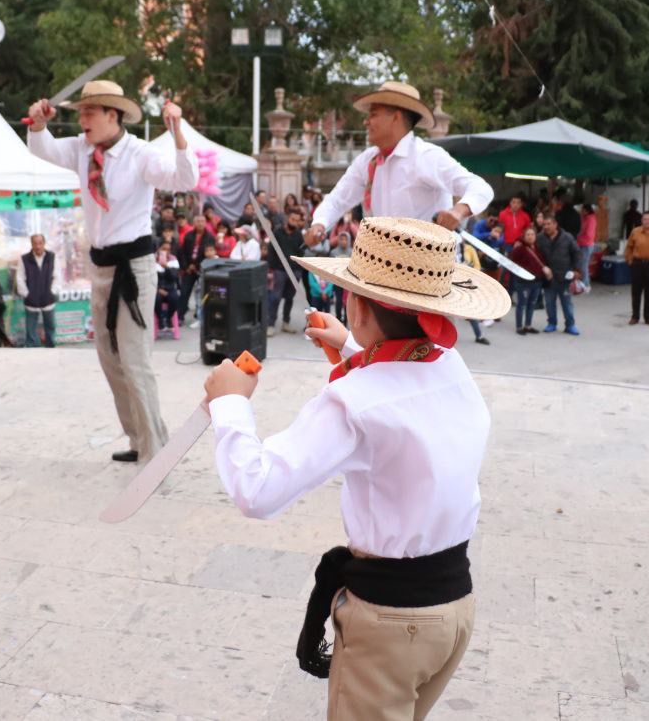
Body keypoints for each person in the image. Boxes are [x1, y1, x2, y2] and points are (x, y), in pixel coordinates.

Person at [204, 216, 510, 720]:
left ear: (359, 303)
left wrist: (230, 406)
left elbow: (256, 491)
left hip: (391, 623)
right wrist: (353, 345)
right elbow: (403, 385)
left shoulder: (352, 402)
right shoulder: (451, 367)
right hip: (453, 608)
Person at [27, 80, 198, 463]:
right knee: (109, 358)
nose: (82, 120)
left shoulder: (140, 153)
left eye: (89, 112)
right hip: (100, 265)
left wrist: (178, 133)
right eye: (81, 112)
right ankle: (138, 438)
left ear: (112, 115)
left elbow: (185, 180)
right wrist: (39, 123)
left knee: (135, 360)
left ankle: (157, 449)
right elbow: (44, 148)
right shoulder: (81, 151)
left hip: (134, 268)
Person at [307, 81, 493, 245]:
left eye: (373, 114)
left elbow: (480, 187)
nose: (366, 122)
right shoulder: (367, 161)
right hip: (384, 268)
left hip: (428, 271)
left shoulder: (426, 156)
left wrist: (459, 210)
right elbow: (337, 199)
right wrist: (319, 223)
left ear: (395, 117)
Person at [537, 214, 581, 335]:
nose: (546, 227)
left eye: (548, 224)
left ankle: (570, 325)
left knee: (567, 303)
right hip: (548, 278)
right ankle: (552, 323)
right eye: (544, 224)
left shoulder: (567, 237)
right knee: (549, 303)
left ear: (555, 225)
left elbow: (577, 253)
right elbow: (534, 252)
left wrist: (576, 270)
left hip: (564, 276)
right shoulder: (540, 238)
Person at [267, 209, 307, 336]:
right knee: (275, 297)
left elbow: (301, 252)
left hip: (294, 271)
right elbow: (271, 251)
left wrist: (298, 269)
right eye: (292, 219)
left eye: (296, 220)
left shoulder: (299, 235)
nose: (294, 222)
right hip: (280, 270)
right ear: (287, 219)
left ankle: (286, 323)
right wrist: (271, 268)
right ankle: (271, 324)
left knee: (289, 298)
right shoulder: (278, 233)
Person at [16, 234, 59, 348]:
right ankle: (32, 349)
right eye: (35, 243)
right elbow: (20, 278)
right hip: (31, 299)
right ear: (32, 244)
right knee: (30, 329)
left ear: (44, 243)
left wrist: (52, 291)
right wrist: (27, 294)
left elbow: (57, 276)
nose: (38, 246)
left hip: (48, 298)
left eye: (40, 243)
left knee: (50, 326)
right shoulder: (24, 259)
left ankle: (51, 348)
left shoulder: (52, 257)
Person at [509, 226, 549, 334]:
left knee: (531, 304)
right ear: (524, 236)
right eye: (528, 234)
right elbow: (512, 264)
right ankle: (519, 327)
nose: (530, 237)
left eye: (532, 234)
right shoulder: (519, 249)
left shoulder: (537, 248)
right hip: (523, 282)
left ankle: (528, 325)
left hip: (536, 281)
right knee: (521, 304)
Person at [177, 214, 215, 323]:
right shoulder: (189, 235)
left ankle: (202, 315)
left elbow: (208, 253)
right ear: (194, 223)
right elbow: (182, 252)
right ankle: (180, 315)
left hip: (202, 268)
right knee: (184, 292)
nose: (200, 223)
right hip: (188, 268)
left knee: (204, 293)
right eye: (198, 221)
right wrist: (186, 266)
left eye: (202, 221)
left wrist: (197, 265)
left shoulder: (210, 237)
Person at [154, 241, 181, 335]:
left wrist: (166, 267)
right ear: (158, 249)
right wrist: (158, 289)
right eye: (163, 249)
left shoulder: (173, 260)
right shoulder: (152, 260)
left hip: (169, 287)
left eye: (168, 250)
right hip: (156, 288)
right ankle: (160, 319)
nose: (166, 252)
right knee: (156, 299)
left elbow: (174, 278)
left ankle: (169, 318)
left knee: (174, 298)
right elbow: (150, 279)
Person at [330, 231, 352, 323]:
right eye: (341, 239)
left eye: (345, 239)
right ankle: (338, 318)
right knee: (338, 301)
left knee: (348, 302)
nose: (343, 241)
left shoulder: (352, 252)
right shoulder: (333, 252)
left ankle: (347, 320)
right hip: (337, 281)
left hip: (348, 282)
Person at [577, 203, 598, 289]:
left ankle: (585, 284)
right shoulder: (585, 218)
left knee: (584, 265)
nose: (581, 211)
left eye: (583, 210)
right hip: (583, 243)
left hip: (586, 244)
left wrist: (579, 236)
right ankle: (584, 282)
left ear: (586, 210)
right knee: (582, 265)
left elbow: (589, 233)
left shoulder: (591, 219)